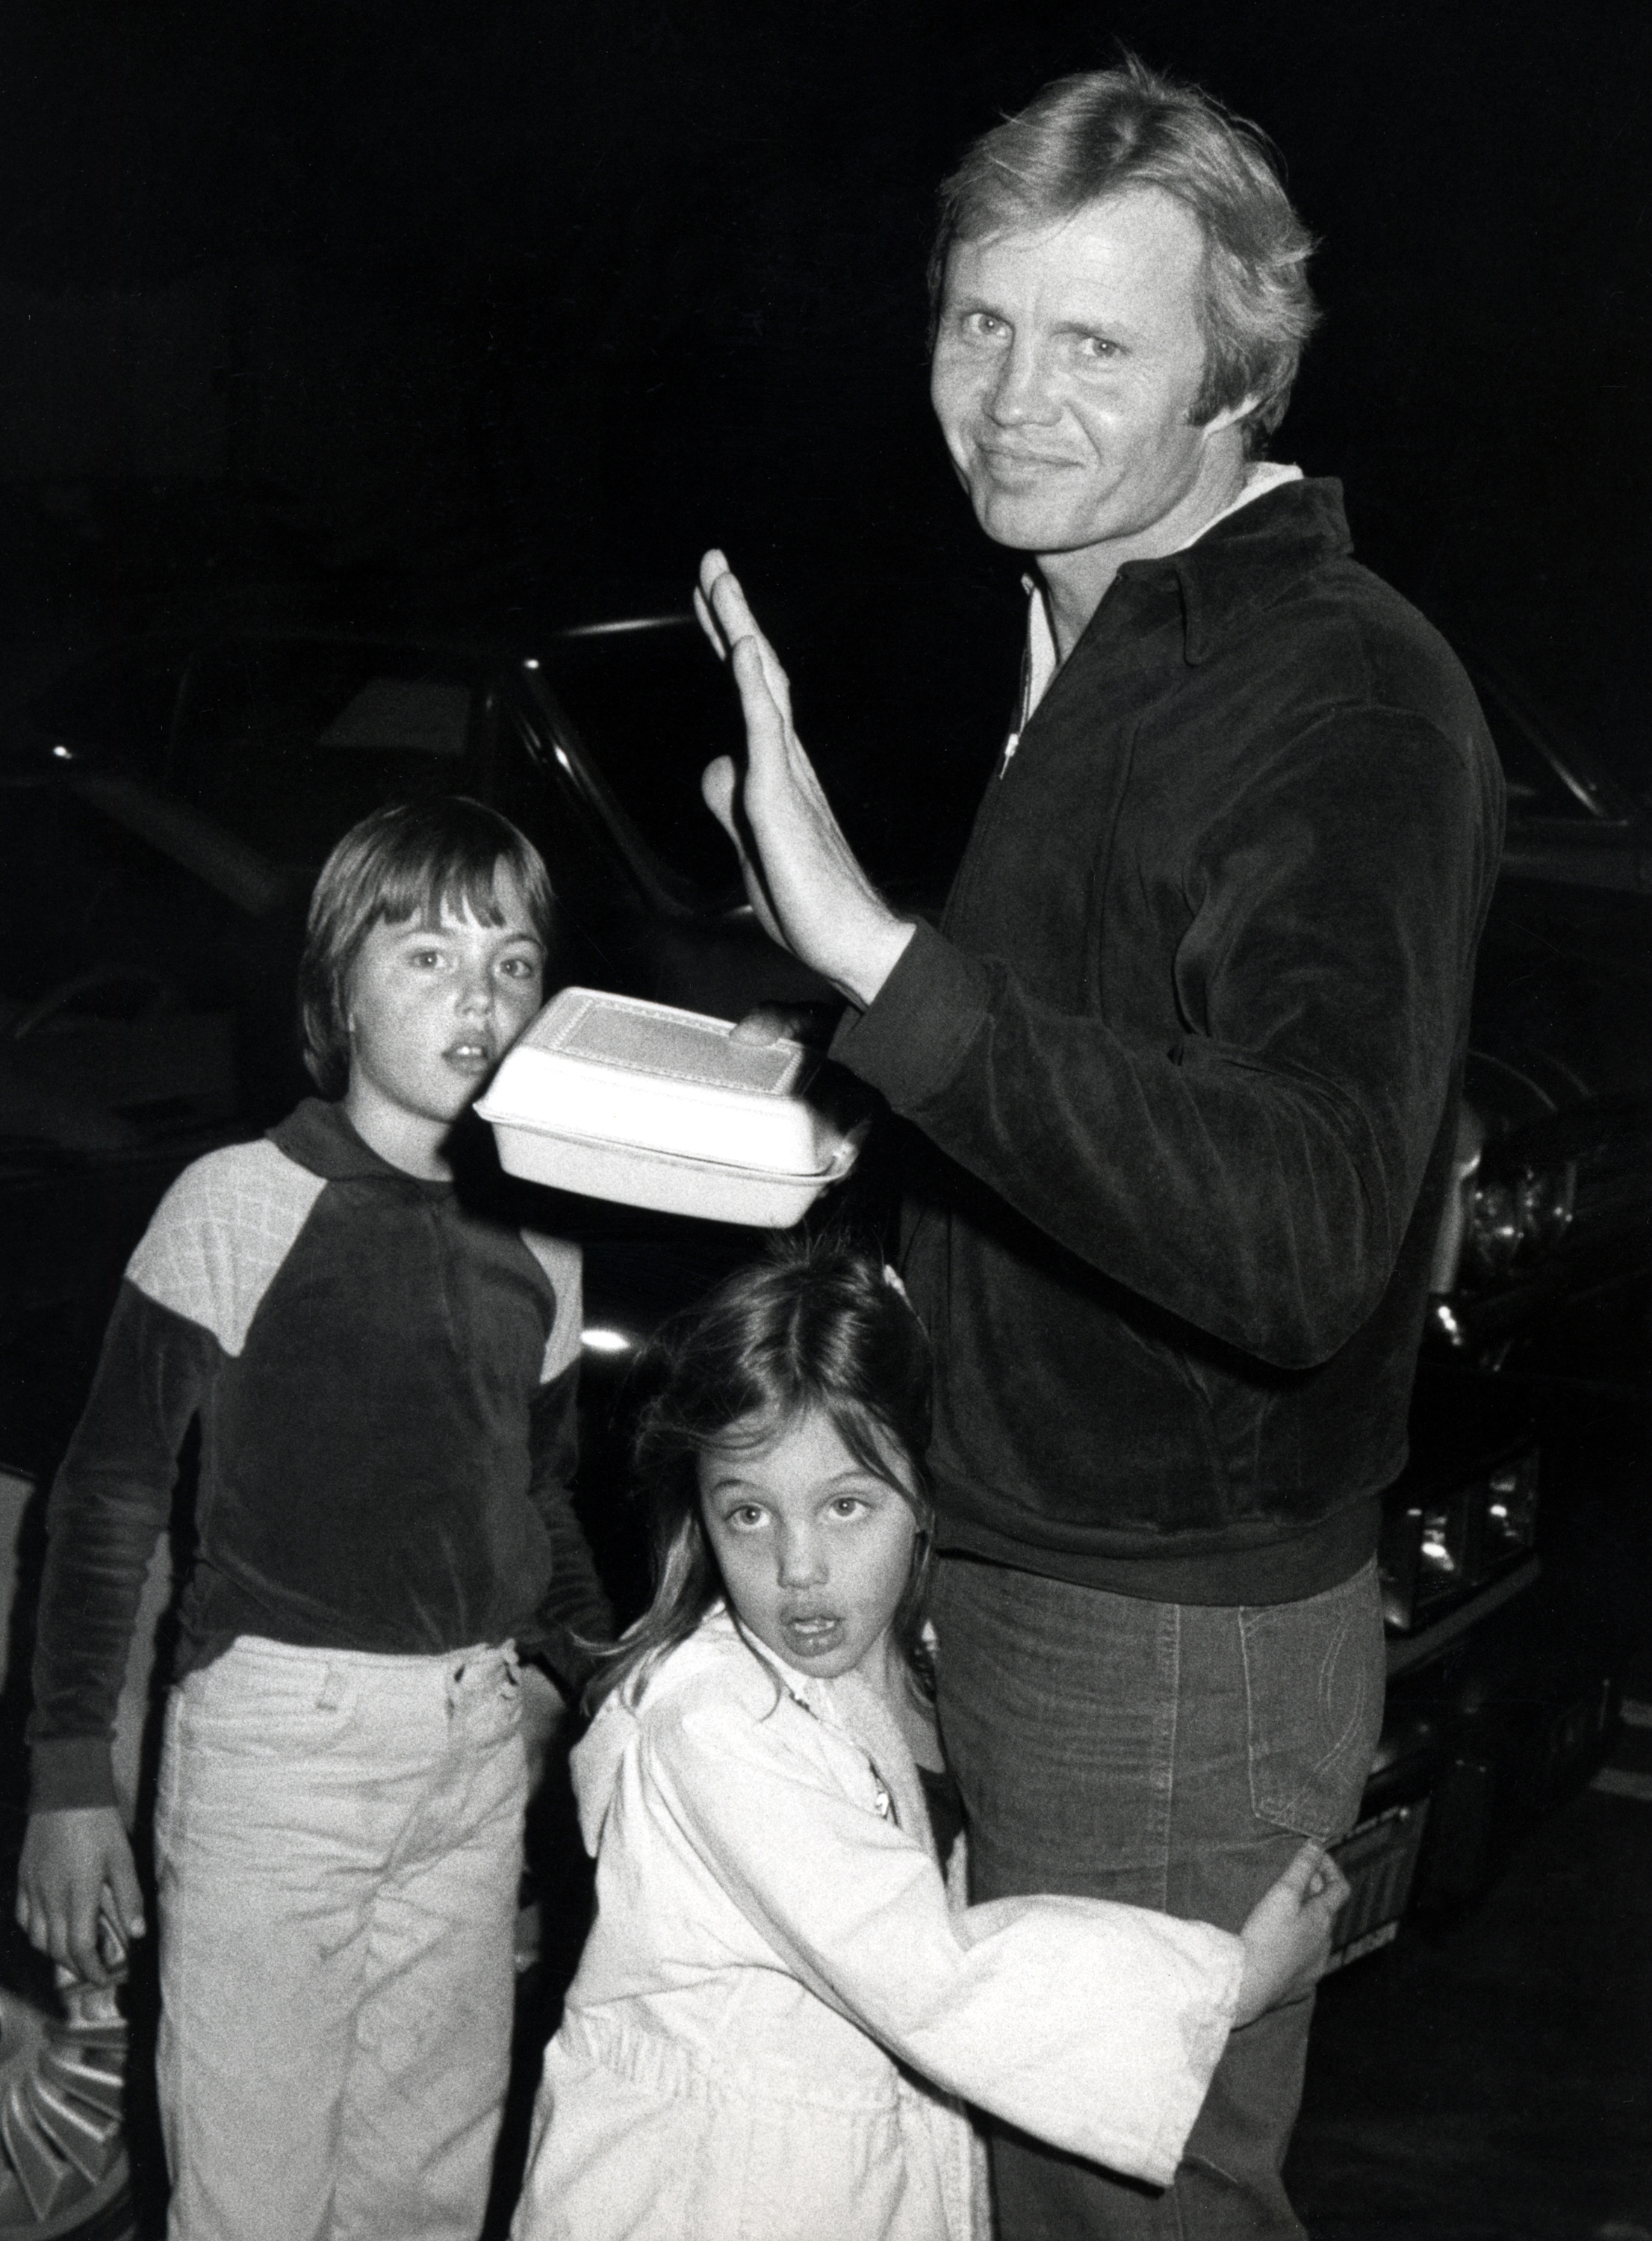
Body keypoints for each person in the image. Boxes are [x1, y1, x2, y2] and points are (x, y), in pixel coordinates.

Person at [692, 56, 1506, 2240]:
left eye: (1095, 343)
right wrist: (821, 1098)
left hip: (1167, 1634)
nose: (1012, 399)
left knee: (1122, 2207)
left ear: (1238, 373)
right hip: (1026, 1559)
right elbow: (1078, 1083)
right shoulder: (1098, 633)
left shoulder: (1333, 695)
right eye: (981, 324)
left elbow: (1308, 1226)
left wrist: (877, 953)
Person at [17, 797, 613, 2241]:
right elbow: (104, 1501)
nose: (479, 998)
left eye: (515, 963)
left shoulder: (541, 1241)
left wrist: (604, 1678)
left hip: (471, 1756)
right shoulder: (234, 1201)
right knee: (253, 2186)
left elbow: (536, 1503)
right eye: (427, 958)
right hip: (279, 1759)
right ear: (337, 986)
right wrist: (65, 1776)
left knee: (425, 2178)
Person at [509, 1243, 1348, 2241]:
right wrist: (1226, 1985)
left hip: (819, 2168)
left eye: (846, 1505)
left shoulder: (899, 1670)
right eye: (747, 1514)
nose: (799, 1565)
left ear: (922, 1501)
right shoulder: (714, 1722)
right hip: (702, 2187)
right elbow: (921, 1966)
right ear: (698, 1512)